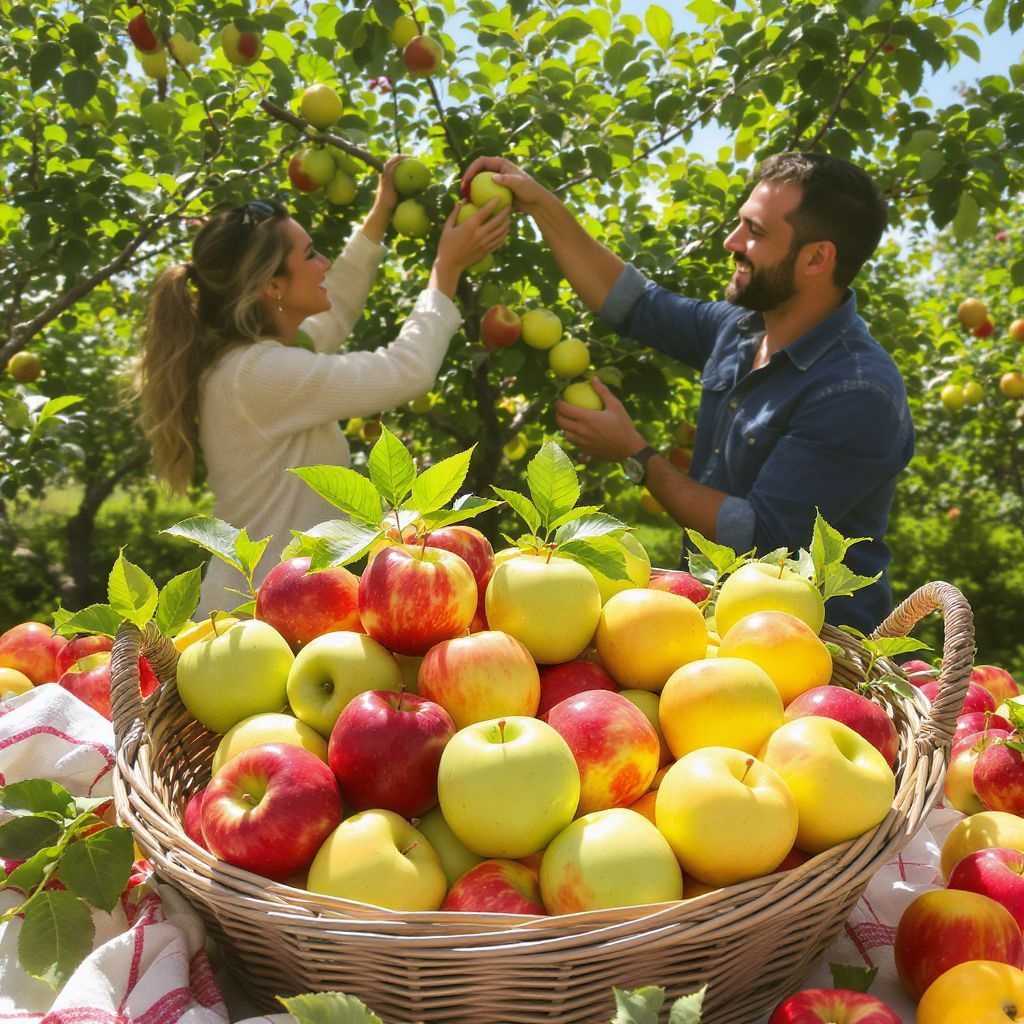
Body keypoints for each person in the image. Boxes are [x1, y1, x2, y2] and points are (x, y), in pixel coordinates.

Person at [460, 152, 913, 633]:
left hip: (813, 647)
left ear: (817, 258)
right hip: (714, 625)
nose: (730, 241)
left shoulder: (857, 392)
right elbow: (633, 303)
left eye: (755, 232)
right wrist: (540, 203)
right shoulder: (740, 329)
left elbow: (759, 537)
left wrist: (635, 454)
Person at [138, 156, 509, 616]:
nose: (325, 263)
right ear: (274, 286)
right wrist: (446, 269)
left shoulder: (249, 363)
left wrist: (383, 209)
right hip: (260, 618)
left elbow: (338, 308)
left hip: (281, 608)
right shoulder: (257, 374)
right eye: (311, 254)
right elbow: (407, 370)